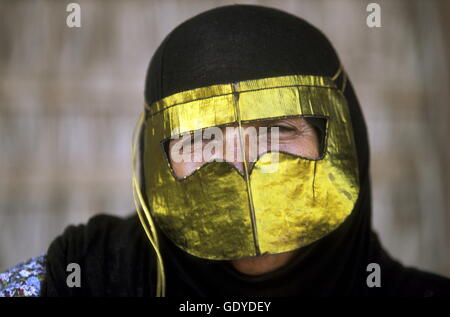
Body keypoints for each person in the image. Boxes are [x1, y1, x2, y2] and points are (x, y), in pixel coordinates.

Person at [1, 4, 449, 297]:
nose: (241, 166)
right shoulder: (86, 276)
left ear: (343, 142)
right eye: (199, 138)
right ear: (155, 159)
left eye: (276, 130)